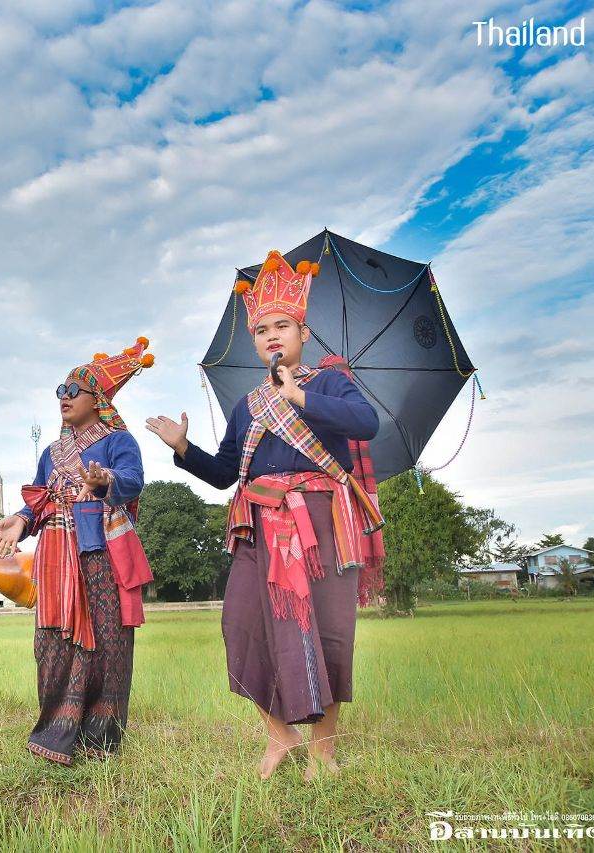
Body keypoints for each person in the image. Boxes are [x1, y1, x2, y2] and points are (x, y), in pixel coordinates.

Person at [147, 250, 383, 781]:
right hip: (257, 524)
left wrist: (300, 396)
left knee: (330, 629)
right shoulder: (247, 405)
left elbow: (365, 424)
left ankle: (324, 749)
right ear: (254, 341)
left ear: (302, 331)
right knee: (239, 624)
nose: (272, 336)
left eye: (283, 325)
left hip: (320, 520)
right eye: (262, 330)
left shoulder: (328, 384)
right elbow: (225, 472)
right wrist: (185, 449)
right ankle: (280, 735)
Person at [0, 338, 156, 765]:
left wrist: (105, 481)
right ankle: (54, 729)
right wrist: (21, 520)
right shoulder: (52, 452)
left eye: (72, 392)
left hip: (99, 548)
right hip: (55, 551)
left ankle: (100, 736)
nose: (63, 399)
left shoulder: (119, 441)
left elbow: (133, 480)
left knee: (105, 639)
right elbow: (41, 497)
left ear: (96, 398)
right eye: (59, 392)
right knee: (52, 639)